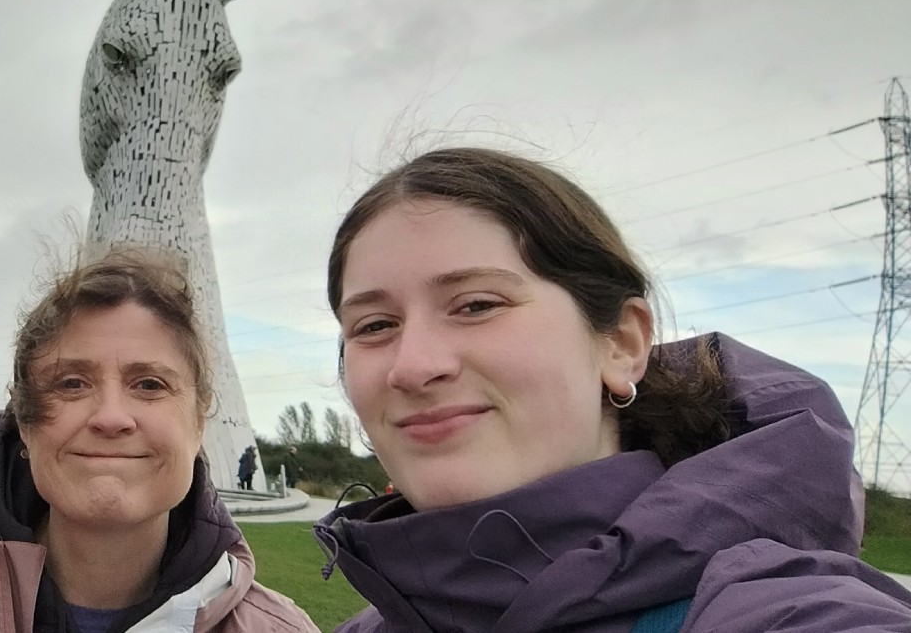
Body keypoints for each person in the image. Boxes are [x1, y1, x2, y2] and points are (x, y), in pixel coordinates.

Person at [315, 147, 911, 633]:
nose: (413, 366)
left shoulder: (784, 614)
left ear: (621, 344)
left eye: (476, 305)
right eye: (374, 326)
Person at [0, 247, 317, 632]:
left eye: (150, 384)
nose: (112, 417)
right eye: (72, 383)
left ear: (199, 422)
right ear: (25, 424)